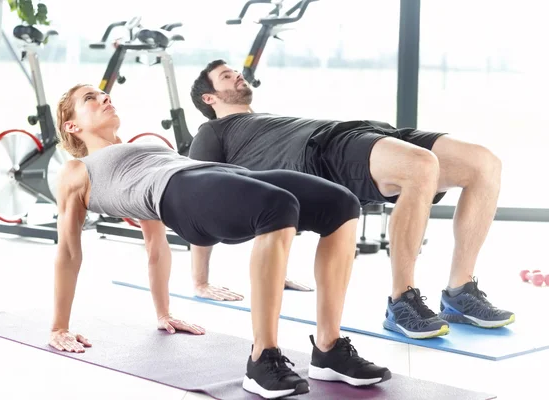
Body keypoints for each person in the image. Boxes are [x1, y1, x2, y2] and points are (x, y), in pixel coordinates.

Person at [48, 83, 391, 399]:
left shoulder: (140, 148)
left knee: (341, 202)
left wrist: (164, 312)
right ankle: (262, 359)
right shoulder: (77, 170)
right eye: (89, 99)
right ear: (71, 126)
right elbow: (68, 250)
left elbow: (155, 246)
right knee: (278, 207)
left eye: (103, 94)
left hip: (221, 176)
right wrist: (59, 326)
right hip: (182, 194)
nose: (104, 98)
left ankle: (329, 350)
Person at [188, 59, 515, 340]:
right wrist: (200, 280)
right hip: (321, 151)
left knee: (484, 164)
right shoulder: (212, 133)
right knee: (420, 166)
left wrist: (279, 268)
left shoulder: (261, 120)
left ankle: (460, 290)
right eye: (226, 76)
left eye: (234, 71)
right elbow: (201, 194)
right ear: (209, 97)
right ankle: (402, 302)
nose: (237, 75)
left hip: (362, 131)